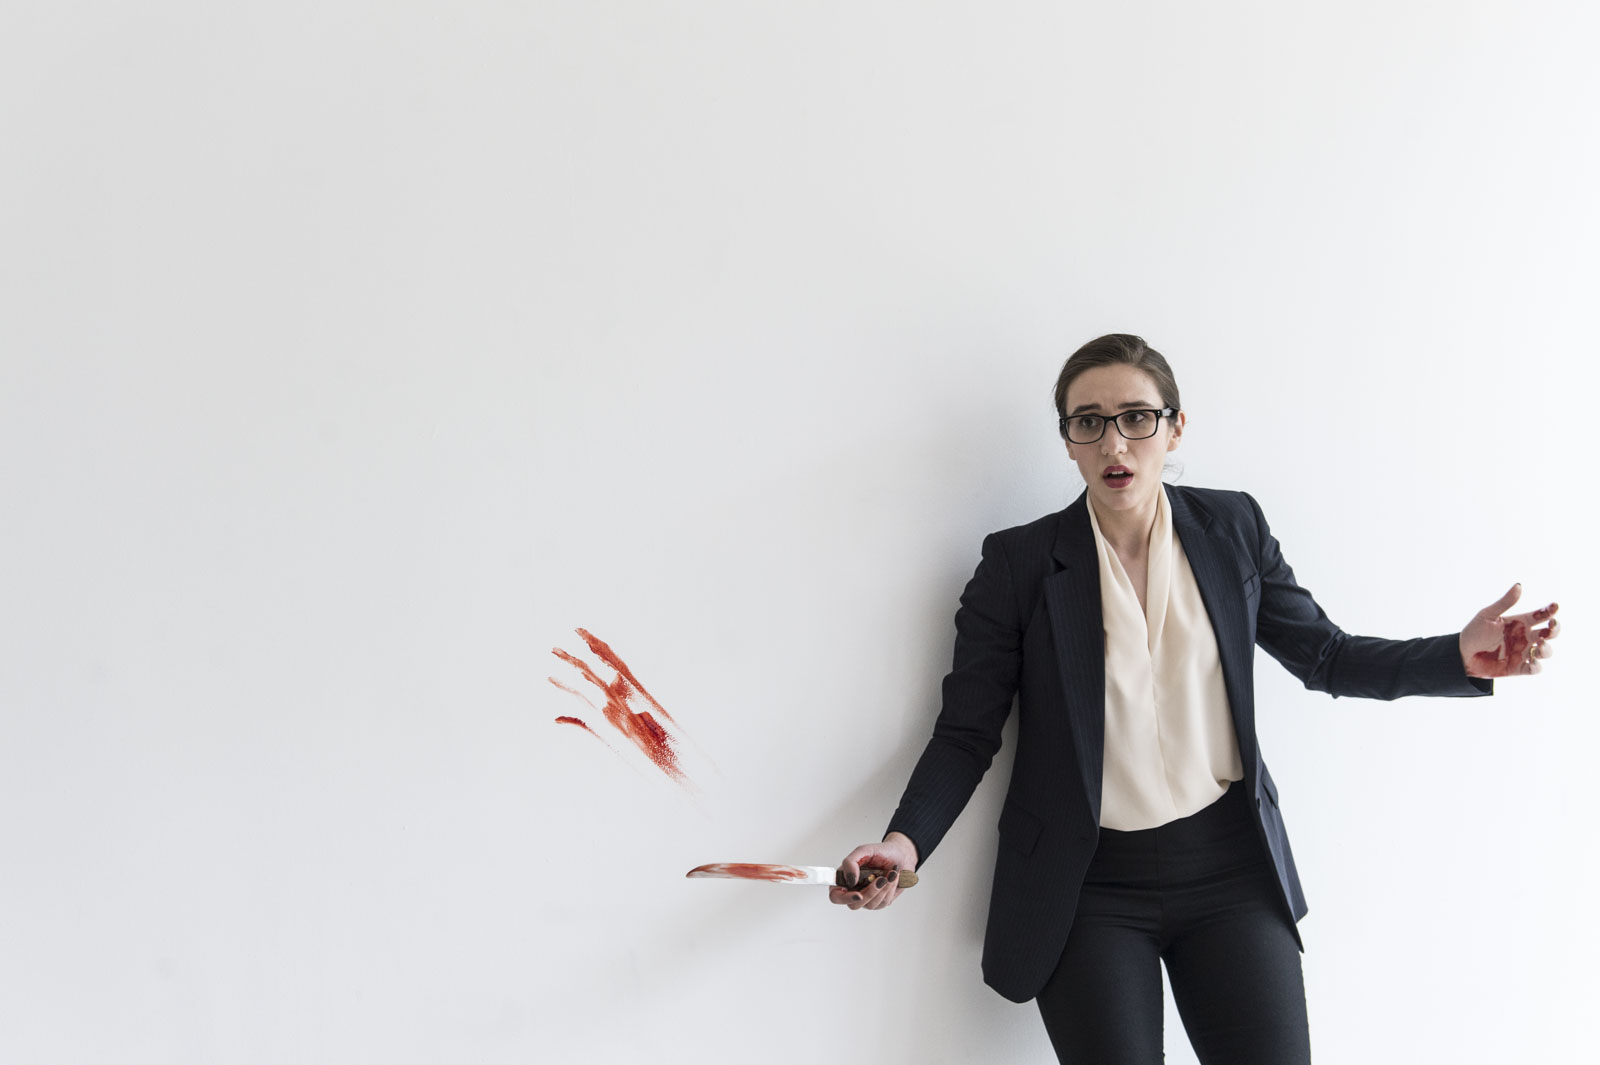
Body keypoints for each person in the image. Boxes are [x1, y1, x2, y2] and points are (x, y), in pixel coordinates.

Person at [828, 334, 1561, 1064]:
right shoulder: (1018, 566)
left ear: (1176, 426)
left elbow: (1327, 655)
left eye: (1137, 416)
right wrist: (903, 841)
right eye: (1089, 421)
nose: (1115, 441)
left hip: (1230, 869)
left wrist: (1458, 655)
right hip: (1086, 888)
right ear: (1069, 443)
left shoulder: (1232, 529)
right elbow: (966, 734)